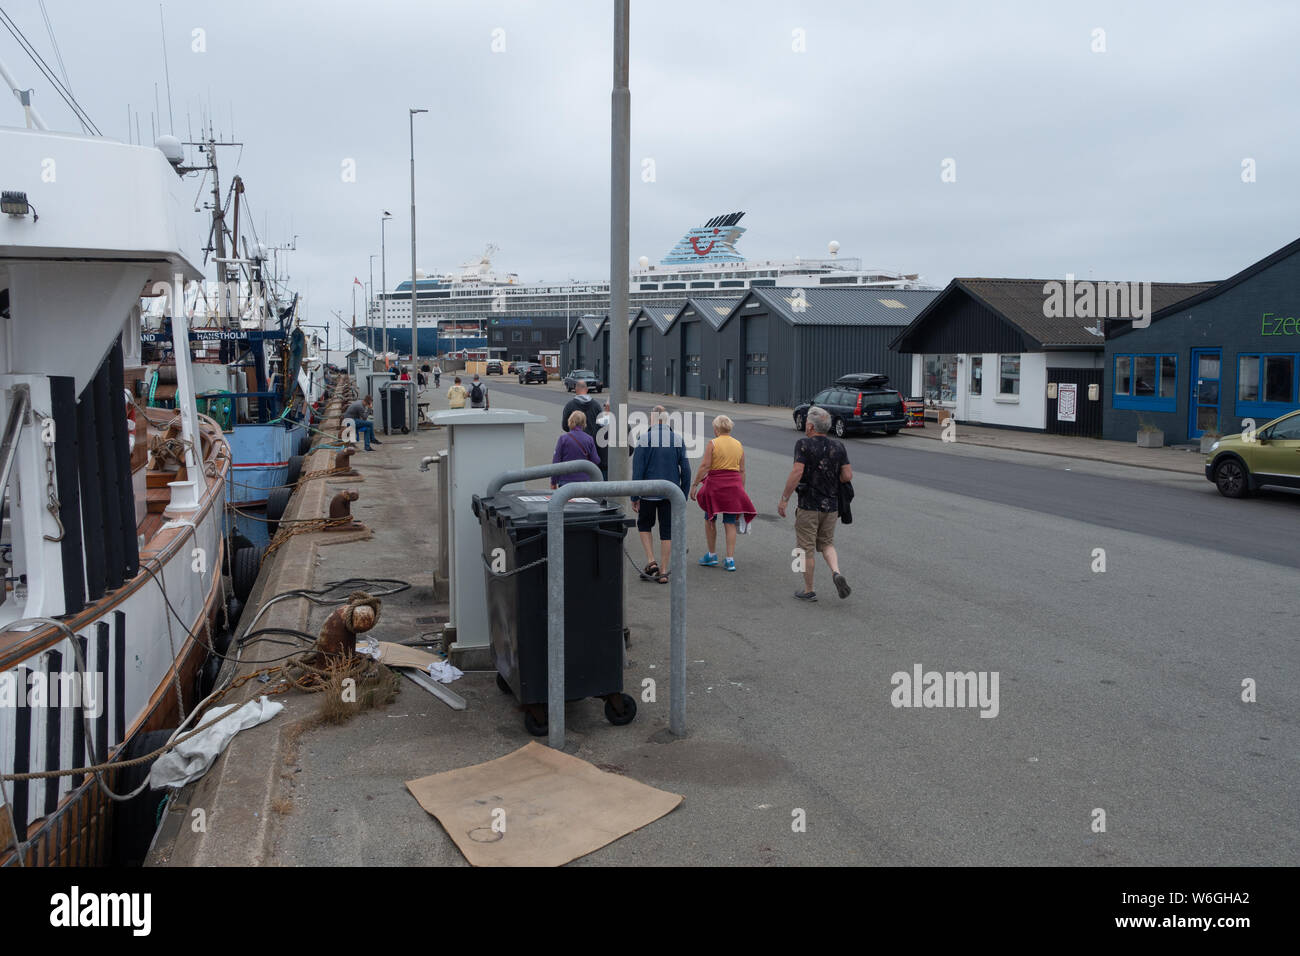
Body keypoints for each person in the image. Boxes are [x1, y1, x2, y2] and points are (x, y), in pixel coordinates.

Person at [778, 406, 852, 601]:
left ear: (810, 426)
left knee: (805, 548)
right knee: (827, 543)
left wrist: (784, 498)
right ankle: (836, 572)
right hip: (831, 506)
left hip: (809, 505)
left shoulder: (803, 444)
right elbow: (847, 475)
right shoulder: (838, 446)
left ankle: (809, 589)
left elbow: (797, 472)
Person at [632, 406, 690, 584]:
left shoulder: (643, 439)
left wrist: (635, 496)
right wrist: (683, 495)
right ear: (666, 421)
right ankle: (664, 570)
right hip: (670, 493)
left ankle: (651, 560)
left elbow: (637, 470)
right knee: (667, 530)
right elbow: (686, 470)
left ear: (652, 420)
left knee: (644, 525)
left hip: (648, 492)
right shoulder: (678, 439)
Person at [691, 415, 756, 572]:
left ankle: (712, 555)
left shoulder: (713, 443)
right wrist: (741, 489)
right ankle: (730, 559)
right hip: (734, 486)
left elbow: (705, 466)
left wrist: (694, 484)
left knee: (710, 518)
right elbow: (742, 470)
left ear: (716, 429)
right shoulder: (738, 445)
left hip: (715, 485)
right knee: (730, 521)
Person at [551, 409, 602, 487]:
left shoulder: (563, 439)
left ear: (570, 421)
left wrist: (553, 481)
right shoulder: (589, 439)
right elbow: (596, 460)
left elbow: (556, 461)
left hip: (566, 480)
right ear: (584, 423)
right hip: (584, 480)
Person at [594, 400, 613, 479]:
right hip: (618, 465)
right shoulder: (623, 424)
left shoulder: (597, 423)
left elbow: (593, 443)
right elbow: (630, 449)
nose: (604, 407)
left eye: (605, 405)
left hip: (602, 464)